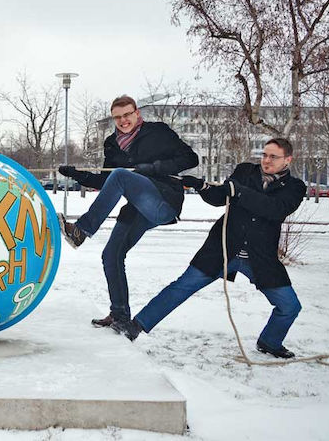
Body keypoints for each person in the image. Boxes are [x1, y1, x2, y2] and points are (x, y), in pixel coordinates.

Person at [117, 138, 305, 359]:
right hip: (222, 249)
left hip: (260, 258)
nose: (266, 160)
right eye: (264, 155)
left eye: (273, 157)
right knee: (182, 287)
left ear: (288, 159)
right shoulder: (245, 171)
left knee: (290, 306)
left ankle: (269, 342)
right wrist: (201, 186)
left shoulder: (295, 187)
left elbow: (275, 209)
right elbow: (221, 197)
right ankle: (136, 326)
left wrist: (240, 192)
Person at [58, 95, 198, 332]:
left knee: (122, 175)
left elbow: (190, 158)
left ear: (137, 114)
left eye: (127, 115)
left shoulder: (158, 132)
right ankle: (120, 316)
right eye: (118, 117)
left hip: (163, 199)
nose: (123, 120)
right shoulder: (112, 144)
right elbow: (107, 180)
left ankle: (81, 230)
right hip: (136, 207)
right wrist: (78, 175)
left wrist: (153, 168)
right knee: (111, 254)